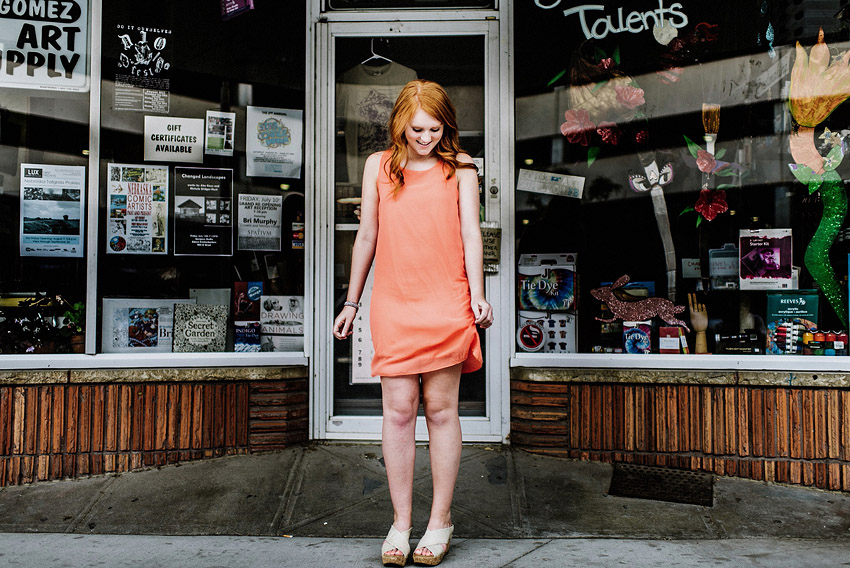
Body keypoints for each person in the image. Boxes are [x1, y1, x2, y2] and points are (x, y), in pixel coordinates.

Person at [333, 79, 494, 566]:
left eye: (434, 128)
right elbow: (366, 237)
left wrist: (480, 295)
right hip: (394, 305)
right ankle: (400, 524)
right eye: (416, 128)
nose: (424, 137)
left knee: (442, 411)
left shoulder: (461, 169)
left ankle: (439, 521)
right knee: (398, 412)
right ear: (399, 122)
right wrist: (351, 303)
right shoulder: (377, 166)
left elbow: (471, 235)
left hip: (447, 303)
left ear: (445, 126)